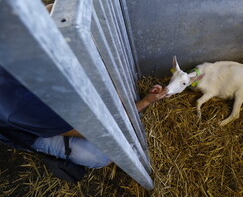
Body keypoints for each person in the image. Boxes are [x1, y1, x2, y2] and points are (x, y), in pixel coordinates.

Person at [0, 66, 168, 168]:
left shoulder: (16, 35)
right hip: (26, 129)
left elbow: (52, 11)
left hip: (39, 100)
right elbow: (97, 129)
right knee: (101, 155)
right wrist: (144, 103)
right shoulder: (24, 107)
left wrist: (118, 98)